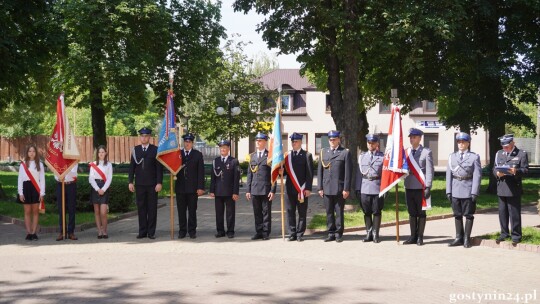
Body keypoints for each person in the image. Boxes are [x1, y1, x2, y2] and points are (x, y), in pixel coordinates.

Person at [446, 132, 481, 248]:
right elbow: (448, 175)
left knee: (469, 215)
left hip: (468, 188)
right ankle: (458, 237)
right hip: (455, 188)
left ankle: (466, 238)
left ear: (468, 143)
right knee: (457, 215)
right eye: (459, 142)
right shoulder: (452, 156)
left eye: (463, 142)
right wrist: (448, 191)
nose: (461, 144)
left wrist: (474, 191)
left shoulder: (474, 157)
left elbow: (477, 176)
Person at [493, 134, 529, 245]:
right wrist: (497, 174)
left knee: (514, 213)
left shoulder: (521, 154)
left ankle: (516, 235)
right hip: (502, 187)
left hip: (513, 188)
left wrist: (516, 171)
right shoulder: (499, 153)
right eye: (503, 146)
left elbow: (526, 170)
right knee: (502, 213)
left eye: (507, 146)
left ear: (513, 143)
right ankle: (504, 233)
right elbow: (494, 168)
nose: (505, 148)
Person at [129, 127, 163, 239]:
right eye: (142, 136)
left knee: (152, 208)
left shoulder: (155, 150)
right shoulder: (136, 150)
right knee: (141, 207)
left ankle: (151, 232)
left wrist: (159, 182)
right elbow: (132, 167)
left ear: (149, 137)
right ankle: (142, 231)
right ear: (140, 137)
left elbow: (159, 168)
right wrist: (130, 181)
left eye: (146, 136)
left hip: (152, 184)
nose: (144, 138)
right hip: (139, 184)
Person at [318, 130, 352, 243]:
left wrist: (346, 189)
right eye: (330, 139)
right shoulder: (324, 152)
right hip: (326, 187)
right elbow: (320, 172)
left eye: (334, 139)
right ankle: (331, 233)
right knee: (329, 212)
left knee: (339, 212)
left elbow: (348, 173)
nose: (332, 141)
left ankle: (338, 233)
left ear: (338, 140)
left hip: (339, 188)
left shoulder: (345, 153)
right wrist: (320, 188)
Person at [403, 128, 434, 246]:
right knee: (411, 212)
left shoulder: (426, 152)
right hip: (409, 186)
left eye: (414, 137)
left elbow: (430, 171)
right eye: (410, 137)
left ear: (420, 138)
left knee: (421, 213)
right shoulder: (406, 152)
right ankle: (412, 236)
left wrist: (428, 186)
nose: (412, 139)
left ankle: (420, 237)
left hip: (421, 187)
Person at [281, 133, 313, 242]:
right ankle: (292, 233)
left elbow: (309, 173)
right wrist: (281, 172)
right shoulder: (287, 156)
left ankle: (300, 233)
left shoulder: (307, 155)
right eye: (292, 142)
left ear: (300, 142)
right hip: (289, 189)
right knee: (290, 211)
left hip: (302, 189)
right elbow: (285, 172)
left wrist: (308, 188)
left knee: (302, 212)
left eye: (296, 142)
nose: (293, 143)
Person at [355, 134, 385, 243]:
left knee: (376, 211)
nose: (370, 145)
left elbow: (385, 175)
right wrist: (358, 188)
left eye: (373, 143)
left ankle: (375, 233)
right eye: (369, 143)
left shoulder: (382, 157)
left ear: (377, 144)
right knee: (366, 211)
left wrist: (385, 189)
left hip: (377, 187)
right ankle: (368, 233)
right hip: (364, 187)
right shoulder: (362, 156)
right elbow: (359, 174)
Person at [246, 132, 276, 240]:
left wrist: (273, 190)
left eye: (260, 141)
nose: (258, 142)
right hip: (254, 188)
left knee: (266, 212)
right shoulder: (252, 156)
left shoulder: (269, 156)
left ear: (265, 142)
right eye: (257, 140)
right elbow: (249, 174)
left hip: (266, 189)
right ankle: (258, 231)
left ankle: (266, 232)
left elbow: (273, 175)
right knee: (257, 212)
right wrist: (248, 190)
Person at [175, 132, 205, 239]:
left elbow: (201, 172)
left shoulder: (197, 154)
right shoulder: (178, 154)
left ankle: (192, 231)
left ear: (192, 143)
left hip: (193, 189)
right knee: (181, 211)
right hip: (180, 188)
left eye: (189, 142)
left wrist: (200, 187)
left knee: (192, 210)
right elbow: (172, 168)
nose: (187, 144)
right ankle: (182, 231)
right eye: (186, 142)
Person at [210, 139, 240, 238]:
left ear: (228, 149)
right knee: (219, 213)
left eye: (225, 147)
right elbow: (213, 177)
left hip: (230, 192)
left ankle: (230, 231)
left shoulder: (234, 161)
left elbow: (236, 178)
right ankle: (220, 231)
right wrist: (211, 190)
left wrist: (235, 192)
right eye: (221, 148)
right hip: (218, 191)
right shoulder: (216, 161)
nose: (223, 149)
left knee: (230, 213)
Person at [17, 145, 45, 241]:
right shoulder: (23, 164)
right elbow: (20, 179)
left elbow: (42, 180)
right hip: (26, 188)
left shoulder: (40, 164)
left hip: (36, 188)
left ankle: (34, 232)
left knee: (35, 211)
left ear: (36, 153)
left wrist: (42, 193)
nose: (31, 153)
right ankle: (28, 232)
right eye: (30, 151)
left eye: (33, 151)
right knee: (27, 211)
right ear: (27, 153)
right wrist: (20, 193)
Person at [89, 145, 113, 239]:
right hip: (95, 188)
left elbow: (110, 178)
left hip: (104, 187)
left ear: (106, 153)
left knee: (103, 212)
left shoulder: (109, 164)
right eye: (99, 152)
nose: (101, 154)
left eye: (103, 152)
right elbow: (91, 178)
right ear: (97, 154)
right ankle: (99, 231)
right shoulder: (93, 164)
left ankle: (105, 231)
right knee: (97, 211)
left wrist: (103, 189)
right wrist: (97, 189)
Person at [55, 164, 79, 241]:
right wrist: (59, 176)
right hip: (60, 184)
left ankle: (71, 232)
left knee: (71, 208)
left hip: (71, 185)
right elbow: (55, 172)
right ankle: (62, 232)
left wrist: (63, 172)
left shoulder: (73, 158)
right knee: (61, 209)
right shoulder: (58, 159)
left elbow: (73, 172)